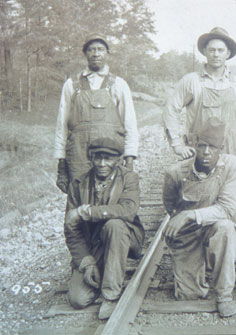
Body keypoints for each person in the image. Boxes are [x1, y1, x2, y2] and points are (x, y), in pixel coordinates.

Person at [162, 117, 236, 318]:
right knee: (189, 295)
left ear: (221, 148)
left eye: (213, 147)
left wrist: (190, 214)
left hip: (213, 227)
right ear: (194, 145)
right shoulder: (176, 172)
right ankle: (195, 263)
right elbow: (170, 205)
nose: (206, 152)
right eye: (202, 145)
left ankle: (224, 295)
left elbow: (227, 208)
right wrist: (180, 220)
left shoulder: (231, 166)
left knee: (226, 228)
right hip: (188, 235)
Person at [64, 137, 144, 320]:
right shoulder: (78, 184)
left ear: (118, 159)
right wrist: (87, 262)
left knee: (114, 224)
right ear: (91, 158)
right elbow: (71, 229)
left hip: (123, 237)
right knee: (78, 299)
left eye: (108, 159)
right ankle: (100, 269)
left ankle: (110, 295)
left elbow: (128, 210)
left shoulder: (129, 178)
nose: (102, 163)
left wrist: (88, 212)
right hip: (94, 245)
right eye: (97, 158)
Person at [54, 33, 139, 193]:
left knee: (111, 198)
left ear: (107, 53)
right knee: (79, 198)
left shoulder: (118, 84)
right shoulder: (71, 85)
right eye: (91, 49)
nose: (96, 53)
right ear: (85, 53)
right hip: (78, 155)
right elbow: (62, 126)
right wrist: (61, 164)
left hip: (110, 155)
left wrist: (130, 158)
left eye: (100, 49)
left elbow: (130, 124)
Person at [163, 27, 236, 167]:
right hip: (199, 153)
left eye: (220, 50)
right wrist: (177, 145)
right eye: (212, 50)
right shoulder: (191, 81)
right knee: (197, 187)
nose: (216, 54)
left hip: (230, 153)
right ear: (204, 52)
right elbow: (170, 110)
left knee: (228, 187)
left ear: (228, 53)